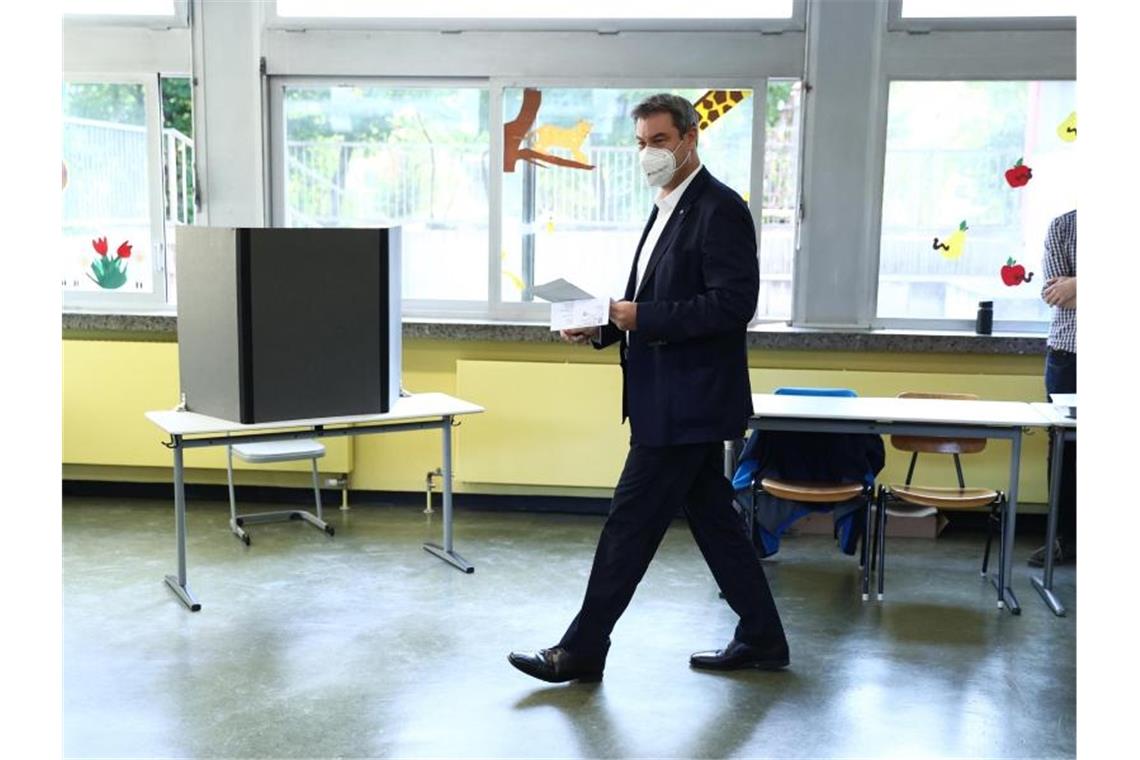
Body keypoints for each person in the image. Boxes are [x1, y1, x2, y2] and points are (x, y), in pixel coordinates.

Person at [507, 94, 788, 683]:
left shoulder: (719, 208)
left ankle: (582, 649)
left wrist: (640, 319)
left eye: (658, 141)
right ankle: (763, 638)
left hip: (689, 403)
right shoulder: (667, 206)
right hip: (668, 398)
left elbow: (734, 305)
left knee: (628, 526)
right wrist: (603, 326)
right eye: (640, 143)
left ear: (690, 139)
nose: (648, 154)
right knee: (716, 524)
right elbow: (655, 302)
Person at [1029, 209, 1076, 567]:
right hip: (1068, 353)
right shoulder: (1064, 224)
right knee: (1063, 449)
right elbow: (1055, 294)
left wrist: (1078, 285)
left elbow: (1071, 291)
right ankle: (1063, 539)